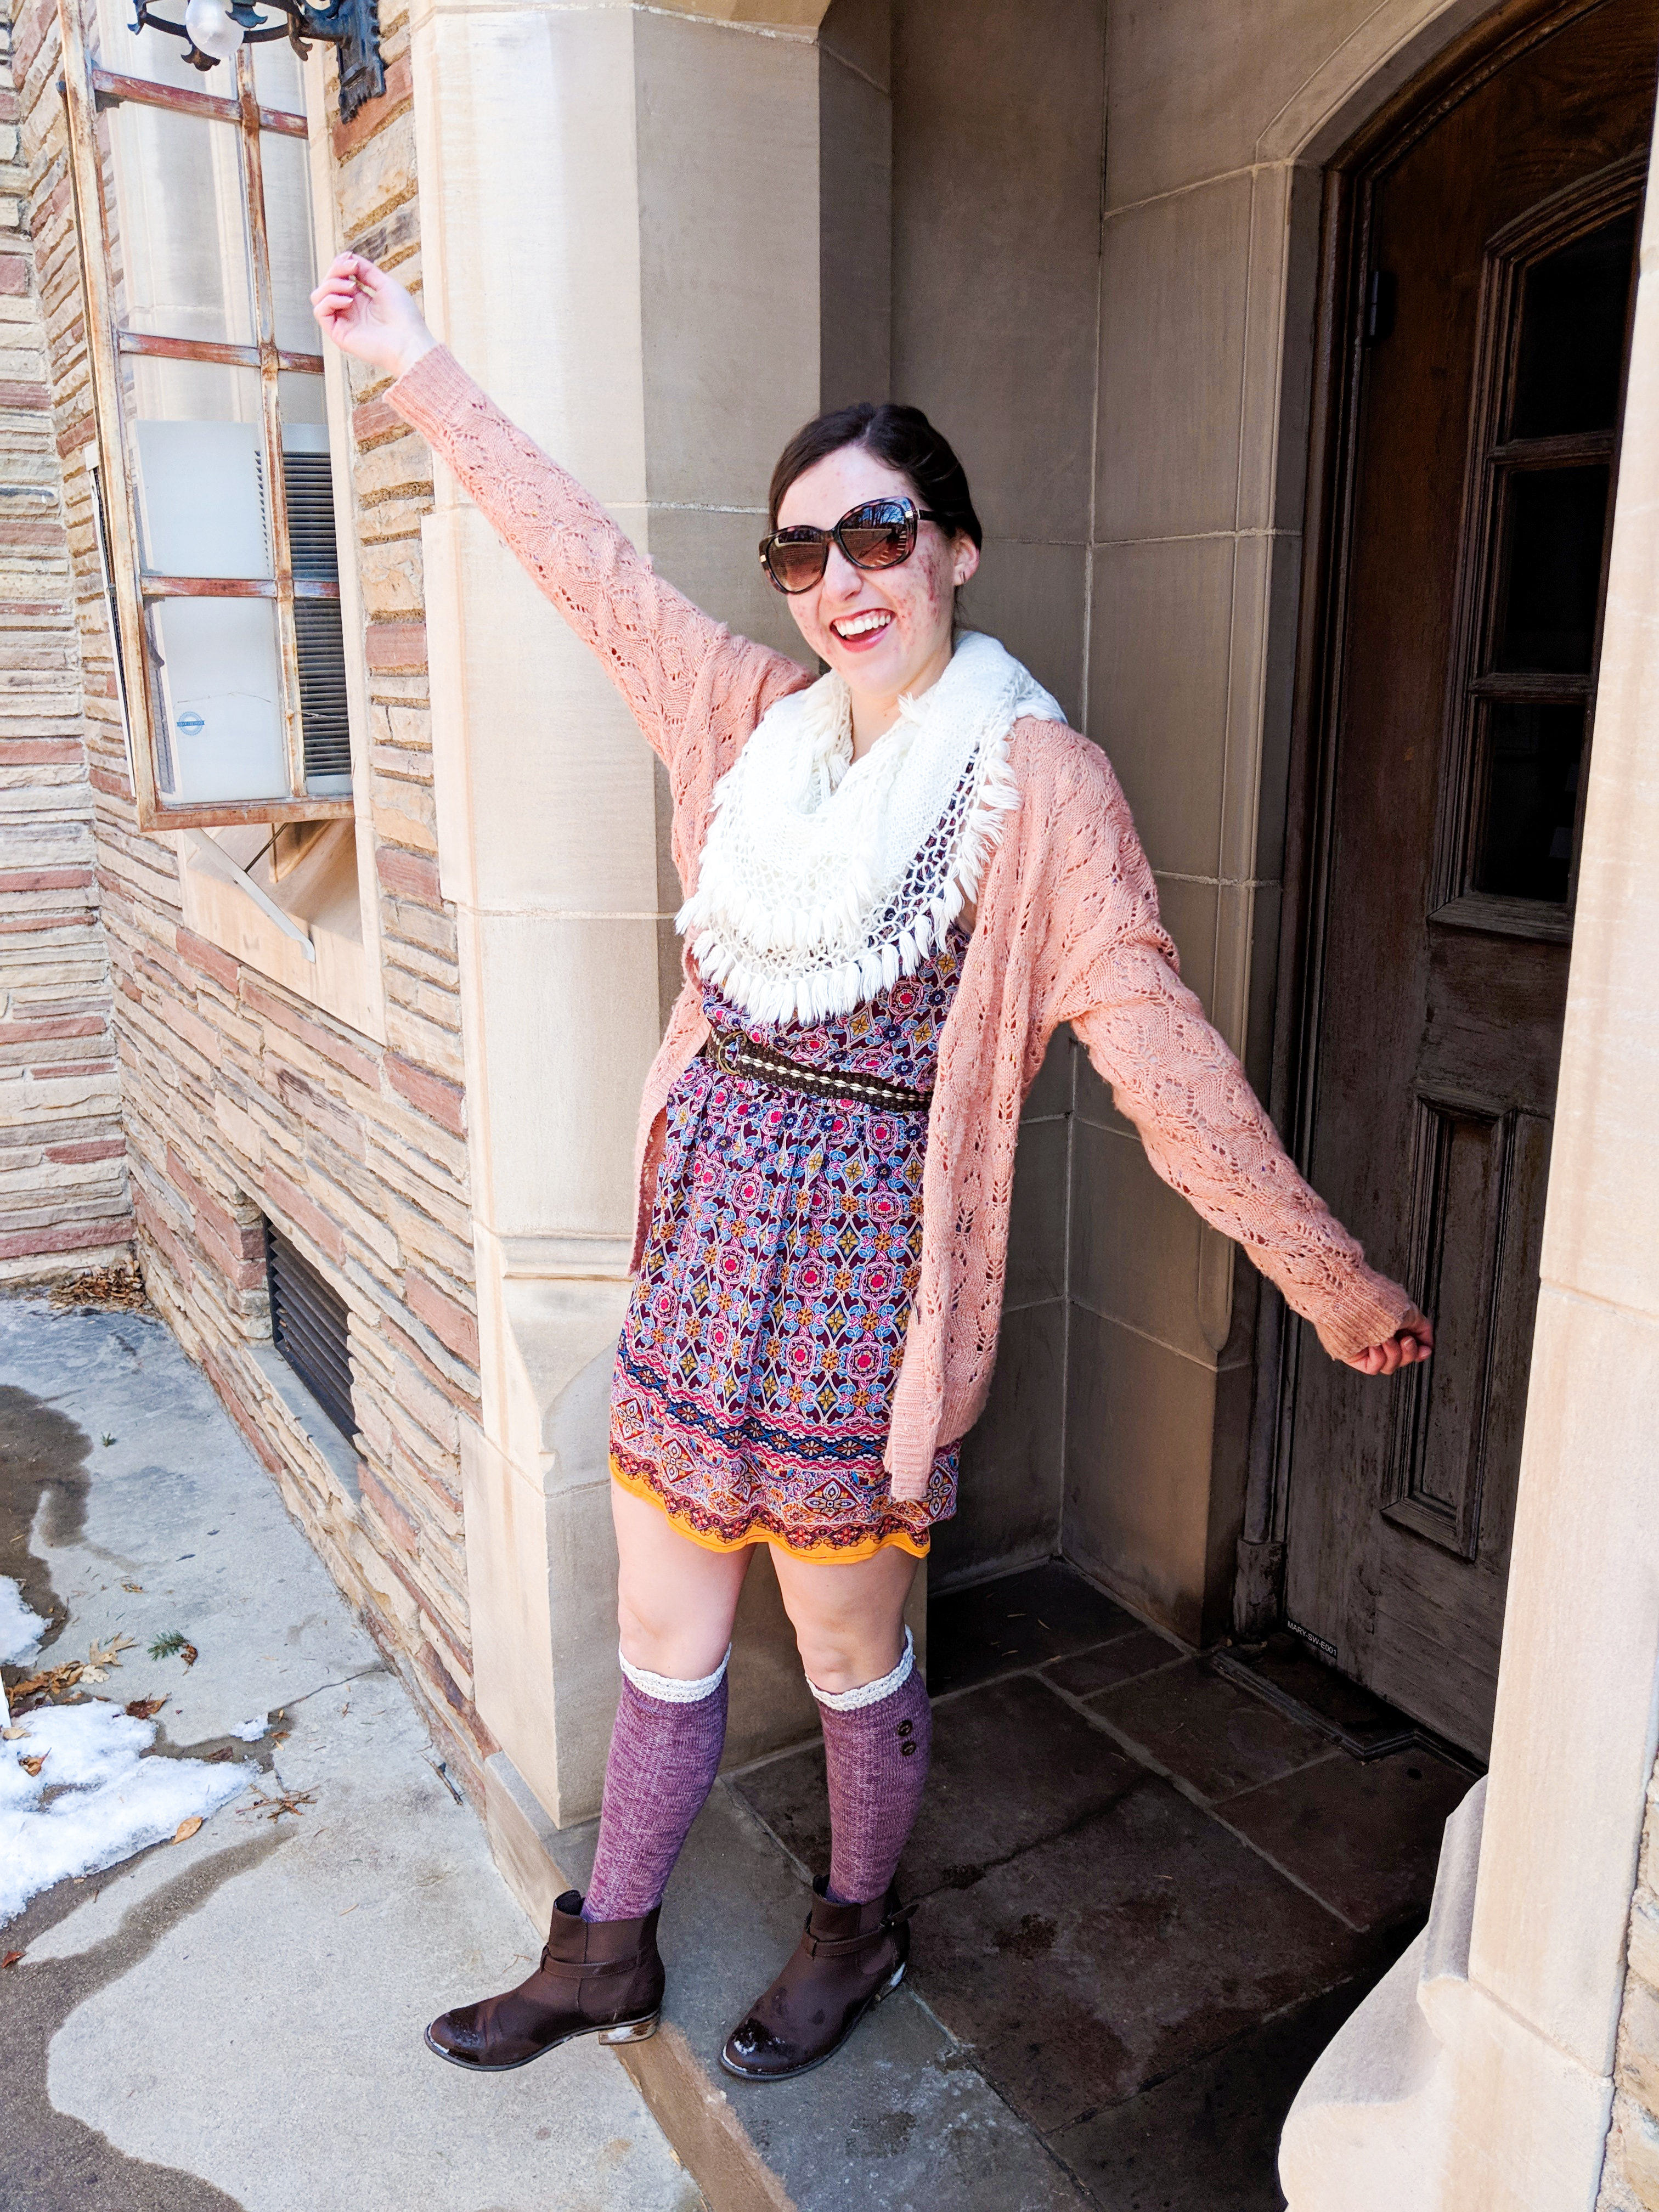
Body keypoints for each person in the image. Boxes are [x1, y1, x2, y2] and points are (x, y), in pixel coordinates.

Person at [310, 251, 1434, 2086]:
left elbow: (1160, 1053)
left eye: (881, 534)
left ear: (956, 549)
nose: (842, 582)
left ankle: (858, 1922)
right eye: (802, 552)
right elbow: (580, 562)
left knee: (846, 1647)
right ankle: (604, 1950)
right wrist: (414, 358)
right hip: (699, 1272)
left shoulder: (1036, 789)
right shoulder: (745, 727)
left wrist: (1330, 1278)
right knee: (662, 1636)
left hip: (860, 1309)